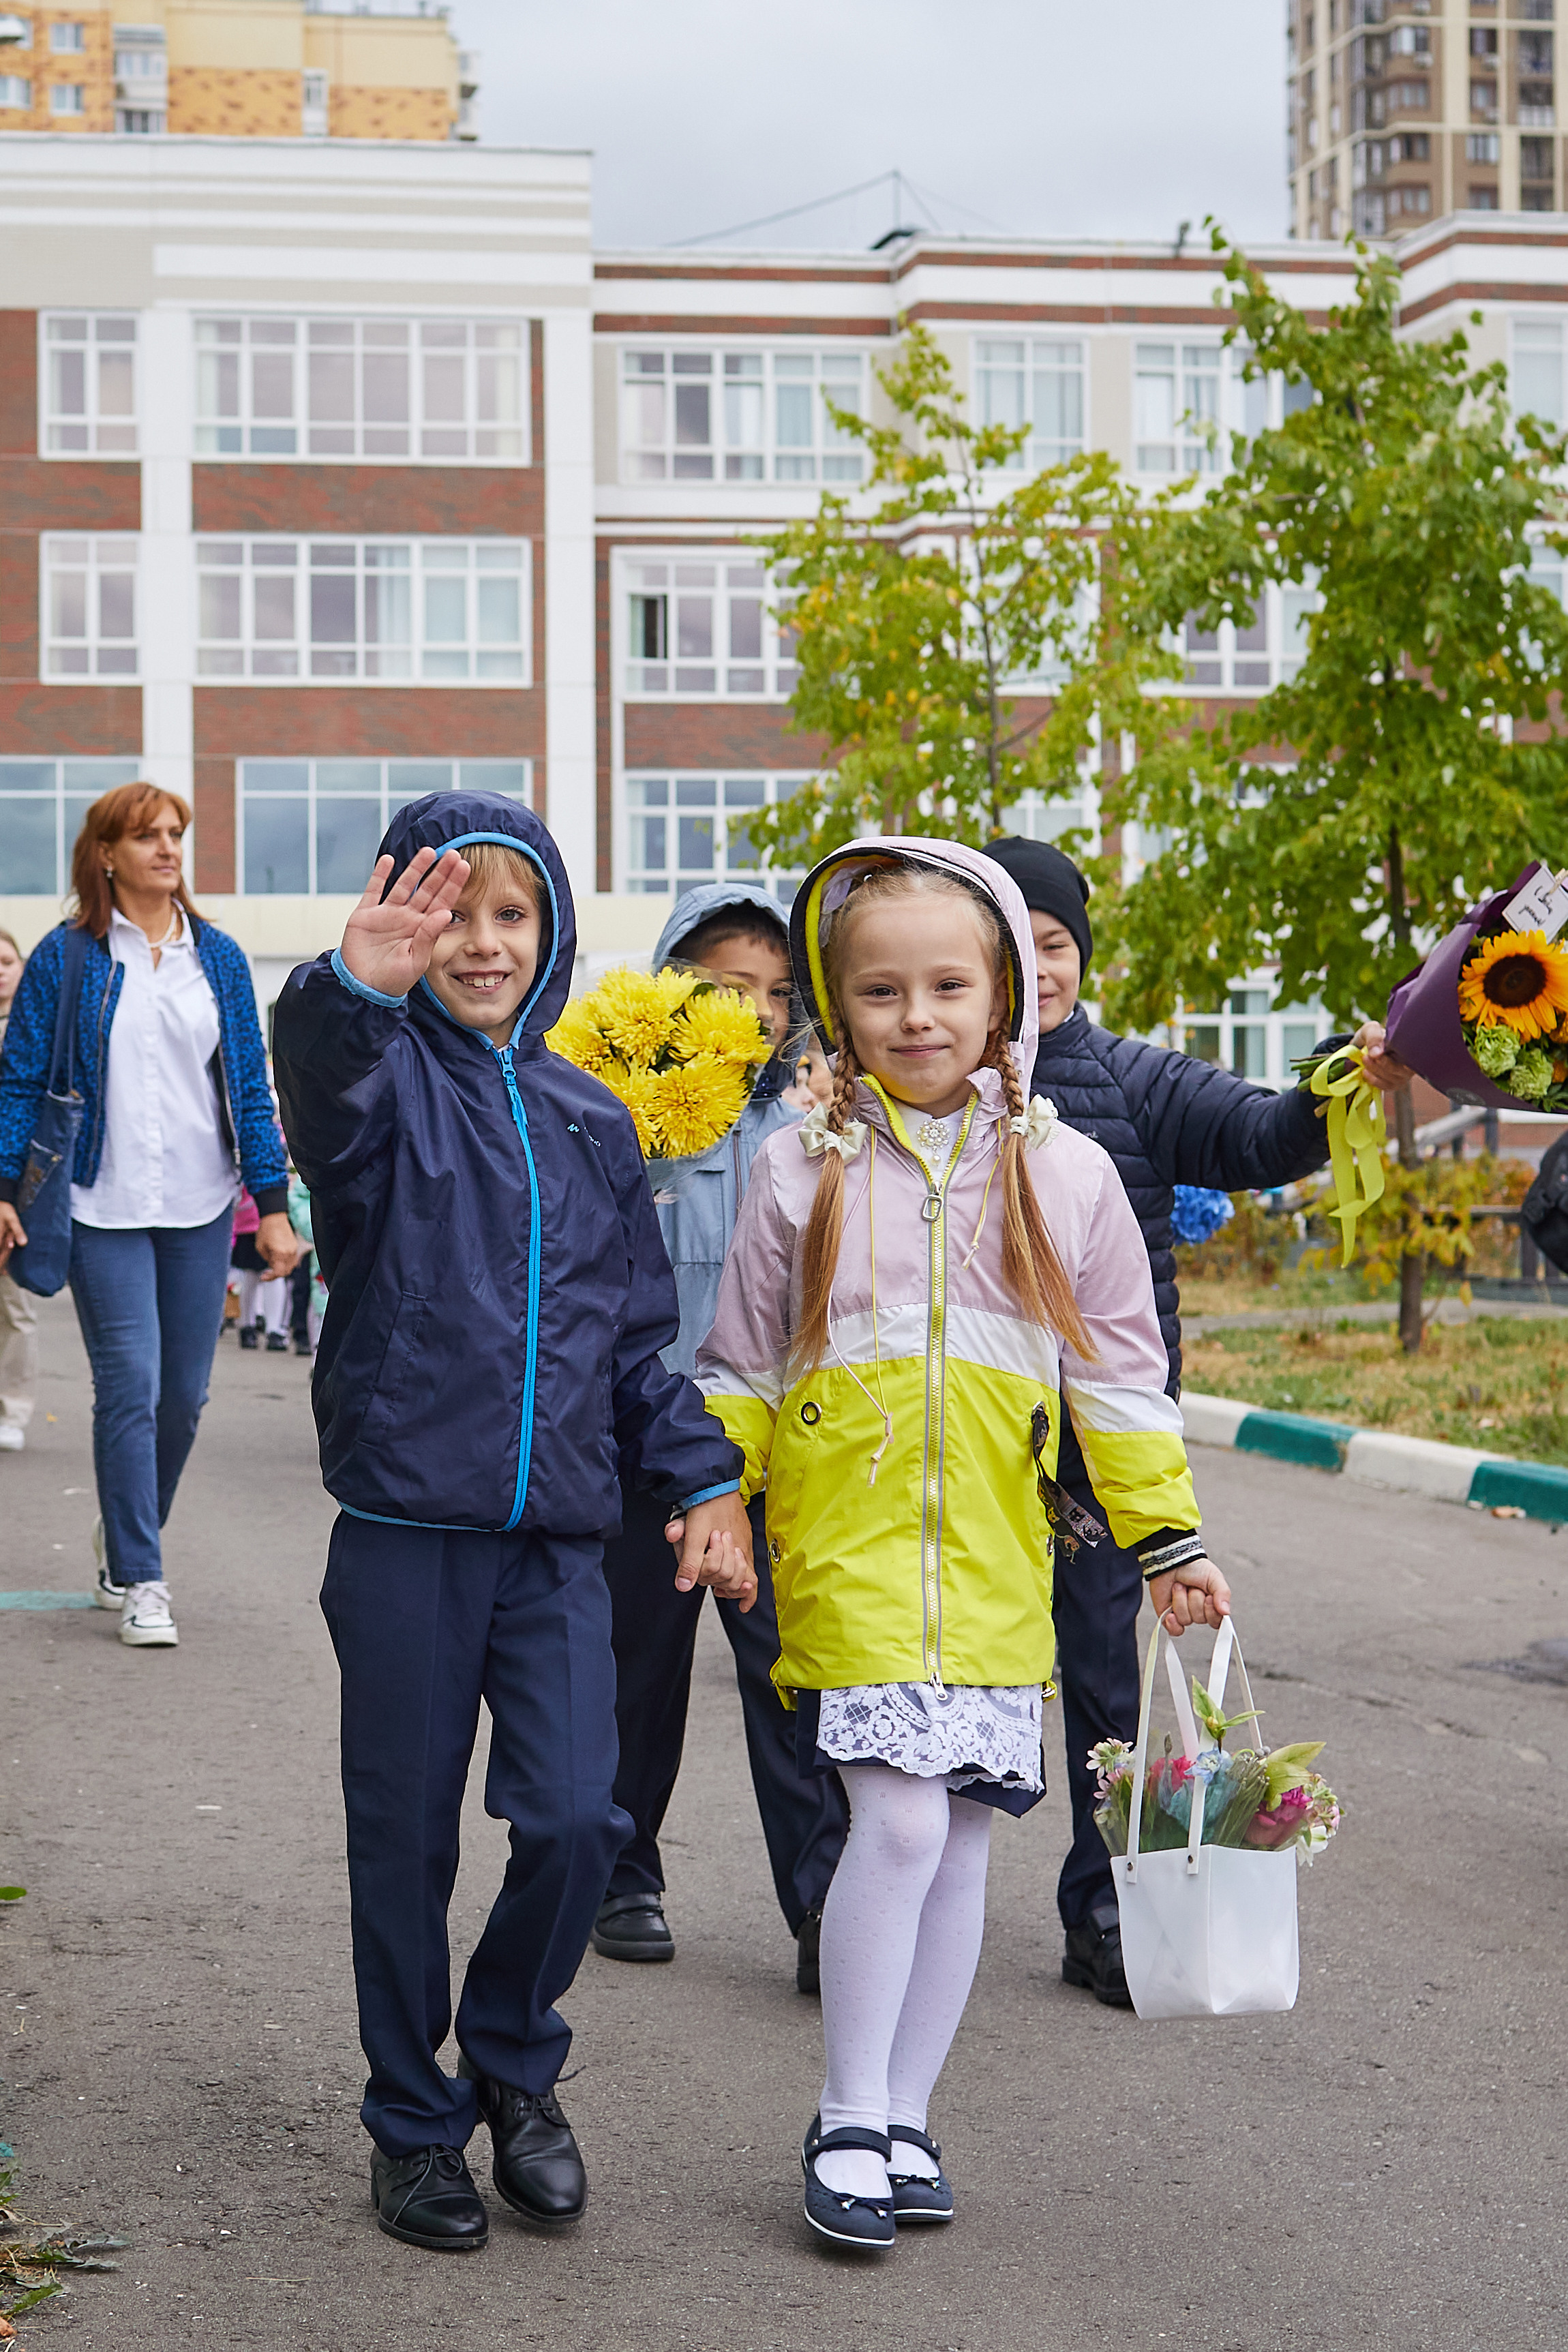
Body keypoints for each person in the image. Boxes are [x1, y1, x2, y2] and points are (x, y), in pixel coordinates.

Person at [696, 839, 1230, 2251]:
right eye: (881, 990)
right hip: (852, 1550)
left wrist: (1167, 1539)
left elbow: (1120, 1378)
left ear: (1007, 997)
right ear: (835, 1001)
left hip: (1001, 1562)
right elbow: (740, 1364)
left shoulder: (1065, 1175)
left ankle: (910, 2112)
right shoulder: (796, 1171)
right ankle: (848, 2109)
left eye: (948, 984)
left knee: (963, 1850)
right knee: (901, 1818)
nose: (916, 1016)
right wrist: (713, 1497)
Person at [271, 791, 756, 2259]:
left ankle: (512, 2064)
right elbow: (320, 1068)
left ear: (549, 938)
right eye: (450, 911)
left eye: (509, 914)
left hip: (558, 1536)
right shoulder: (372, 1084)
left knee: (573, 1817)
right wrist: (356, 984)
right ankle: (411, 2126)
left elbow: (628, 1346)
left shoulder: (590, 1116)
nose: (479, 943)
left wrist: (706, 1480)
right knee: (404, 1838)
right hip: (409, 1528)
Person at [980, 834, 1407, 2008]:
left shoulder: (1134, 1080)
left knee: (1107, 1694)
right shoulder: (919, 1087)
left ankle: (1107, 1912)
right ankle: (854, 1908)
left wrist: (1340, 1078)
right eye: (1009, 950)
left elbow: (1264, 1136)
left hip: (1099, 1452)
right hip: (957, 1446)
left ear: (1080, 954)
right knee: (937, 1681)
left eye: (1055, 947)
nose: (1036, 974)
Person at [592, 882, 849, 1992]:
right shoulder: (612, 1121)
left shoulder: (808, 1136)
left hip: (773, 1460)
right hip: (643, 1449)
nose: (753, 1009)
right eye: (724, 985)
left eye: (777, 991)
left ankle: (824, 1900)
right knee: (634, 1676)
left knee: (796, 1679)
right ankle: (619, 1870)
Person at [0, 785, 298, 1644]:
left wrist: (271, 1206)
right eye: (146, 837)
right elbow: (22, 1079)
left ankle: (126, 1530)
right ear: (105, 854)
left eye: (174, 834)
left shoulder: (220, 957)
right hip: (101, 1204)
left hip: (202, 1204)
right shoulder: (67, 957)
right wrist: (3, 1186)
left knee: (185, 1398)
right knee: (129, 1386)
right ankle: (142, 1576)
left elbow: (250, 1085)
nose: (168, 849)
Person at [0, 929, 37, 1455]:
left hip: (20, 1188)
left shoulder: (36, 1031)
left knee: (14, 1305)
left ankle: (12, 1409)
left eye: (5, 961)